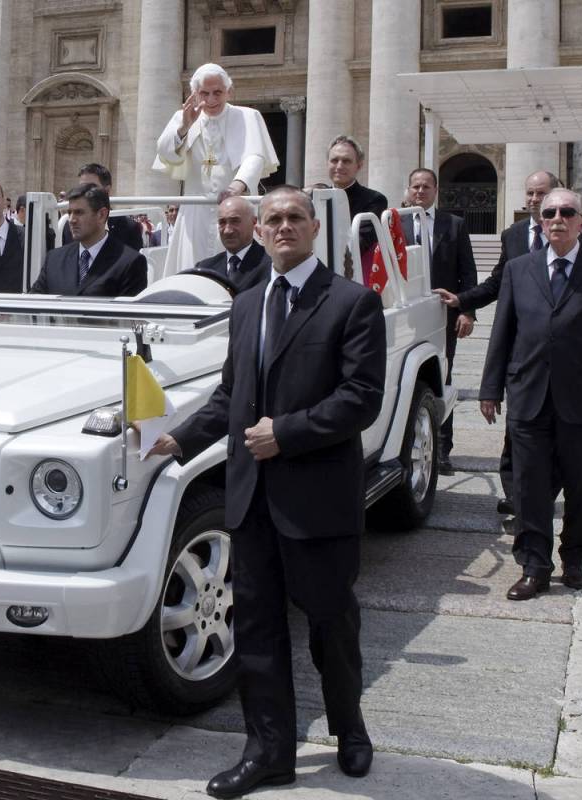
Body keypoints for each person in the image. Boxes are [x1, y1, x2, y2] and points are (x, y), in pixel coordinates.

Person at [149, 186, 385, 796]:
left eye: (294, 218)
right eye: (274, 219)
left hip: (318, 504)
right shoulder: (249, 304)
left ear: (314, 228)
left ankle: (350, 730)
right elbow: (232, 397)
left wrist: (287, 433)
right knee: (256, 632)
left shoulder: (352, 302)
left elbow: (360, 399)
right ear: (260, 232)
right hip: (252, 501)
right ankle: (269, 750)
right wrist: (178, 438)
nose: (283, 227)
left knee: (333, 628)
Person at [479, 189, 582, 601]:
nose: (558, 219)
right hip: (529, 397)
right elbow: (503, 331)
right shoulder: (519, 270)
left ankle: (575, 558)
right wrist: (490, 388)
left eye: (567, 212)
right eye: (550, 213)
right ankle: (534, 565)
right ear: (541, 221)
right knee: (529, 488)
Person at [434, 170, 582, 514]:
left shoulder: (580, 234)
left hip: (563, 355)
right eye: (531, 194)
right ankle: (515, 496)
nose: (536, 200)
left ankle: (543, 493)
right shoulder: (513, 236)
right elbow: (498, 282)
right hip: (522, 349)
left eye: (543, 193)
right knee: (516, 429)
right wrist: (462, 300)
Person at [154, 63, 279, 273]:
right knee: (192, 272)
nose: (211, 100)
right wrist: (185, 127)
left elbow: (255, 157)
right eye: (205, 93)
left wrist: (236, 188)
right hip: (196, 213)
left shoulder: (248, 116)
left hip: (237, 209)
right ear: (194, 94)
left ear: (229, 91)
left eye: (217, 92)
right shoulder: (183, 117)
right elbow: (165, 153)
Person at [403, 168, 477, 475]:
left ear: (436, 190)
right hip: (407, 316)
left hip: (443, 315)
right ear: (408, 190)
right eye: (415, 186)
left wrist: (467, 311)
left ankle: (443, 450)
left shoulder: (453, 224)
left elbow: (467, 271)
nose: (420, 191)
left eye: (426, 187)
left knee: (442, 379)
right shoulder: (396, 223)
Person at [30, 184, 147, 297]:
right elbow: (33, 306)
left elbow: (126, 315)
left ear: (101, 215)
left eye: (79, 213)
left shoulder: (130, 263)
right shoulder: (54, 259)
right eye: (70, 213)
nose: (71, 220)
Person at [191, 195, 269, 294]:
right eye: (222, 222)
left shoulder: (272, 264)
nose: (228, 230)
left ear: (253, 222)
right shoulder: (205, 268)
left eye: (235, 221)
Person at [60, 163, 145, 252]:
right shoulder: (68, 227)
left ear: (107, 190)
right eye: (81, 188)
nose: (83, 193)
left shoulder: (128, 228)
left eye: (91, 188)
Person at [327, 135, 387, 258]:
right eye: (334, 160)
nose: (339, 166)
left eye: (346, 161)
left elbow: (360, 243)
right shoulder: (313, 197)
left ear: (359, 166)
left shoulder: (375, 200)